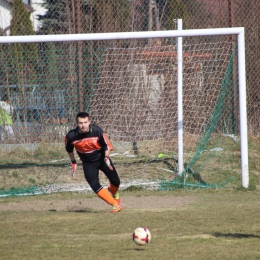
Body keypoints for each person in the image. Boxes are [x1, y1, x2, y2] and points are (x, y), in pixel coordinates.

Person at [65, 111, 122, 213]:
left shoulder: (97, 130)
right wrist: (73, 161)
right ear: (77, 123)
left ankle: (114, 192)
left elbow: (106, 145)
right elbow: (69, 149)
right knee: (94, 185)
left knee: (116, 182)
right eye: (81, 123)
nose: (83, 125)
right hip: (88, 163)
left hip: (102, 159)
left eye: (85, 122)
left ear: (89, 122)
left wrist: (107, 157)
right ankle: (115, 204)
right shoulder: (71, 135)